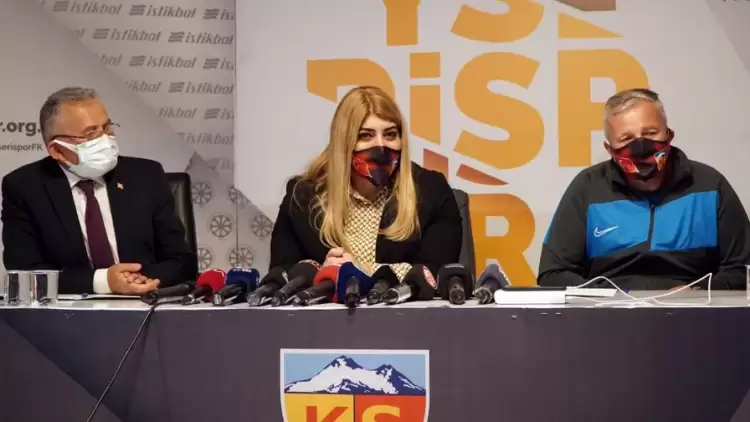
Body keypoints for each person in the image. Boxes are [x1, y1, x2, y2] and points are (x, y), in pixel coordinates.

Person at [538, 88, 750, 290]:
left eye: (650, 132)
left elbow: (743, 269)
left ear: (669, 134)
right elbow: (553, 273)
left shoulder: (710, 185)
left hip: (693, 309)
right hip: (610, 310)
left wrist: (697, 292)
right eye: (626, 138)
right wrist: (609, 297)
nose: (640, 146)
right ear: (609, 148)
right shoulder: (587, 188)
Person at [2, 87, 197, 295]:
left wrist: (139, 280)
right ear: (57, 150)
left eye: (106, 127)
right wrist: (105, 282)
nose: (105, 139)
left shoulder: (146, 176)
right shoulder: (25, 187)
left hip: (145, 304)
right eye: (91, 133)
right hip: (71, 312)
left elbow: (181, 261)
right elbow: (25, 273)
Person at [269, 86, 462, 279]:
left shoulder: (431, 191)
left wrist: (363, 270)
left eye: (390, 134)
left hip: (400, 299)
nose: (381, 146)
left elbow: (436, 272)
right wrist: (320, 273)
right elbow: (282, 274)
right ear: (344, 142)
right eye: (365, 135)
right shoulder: (302, 196)